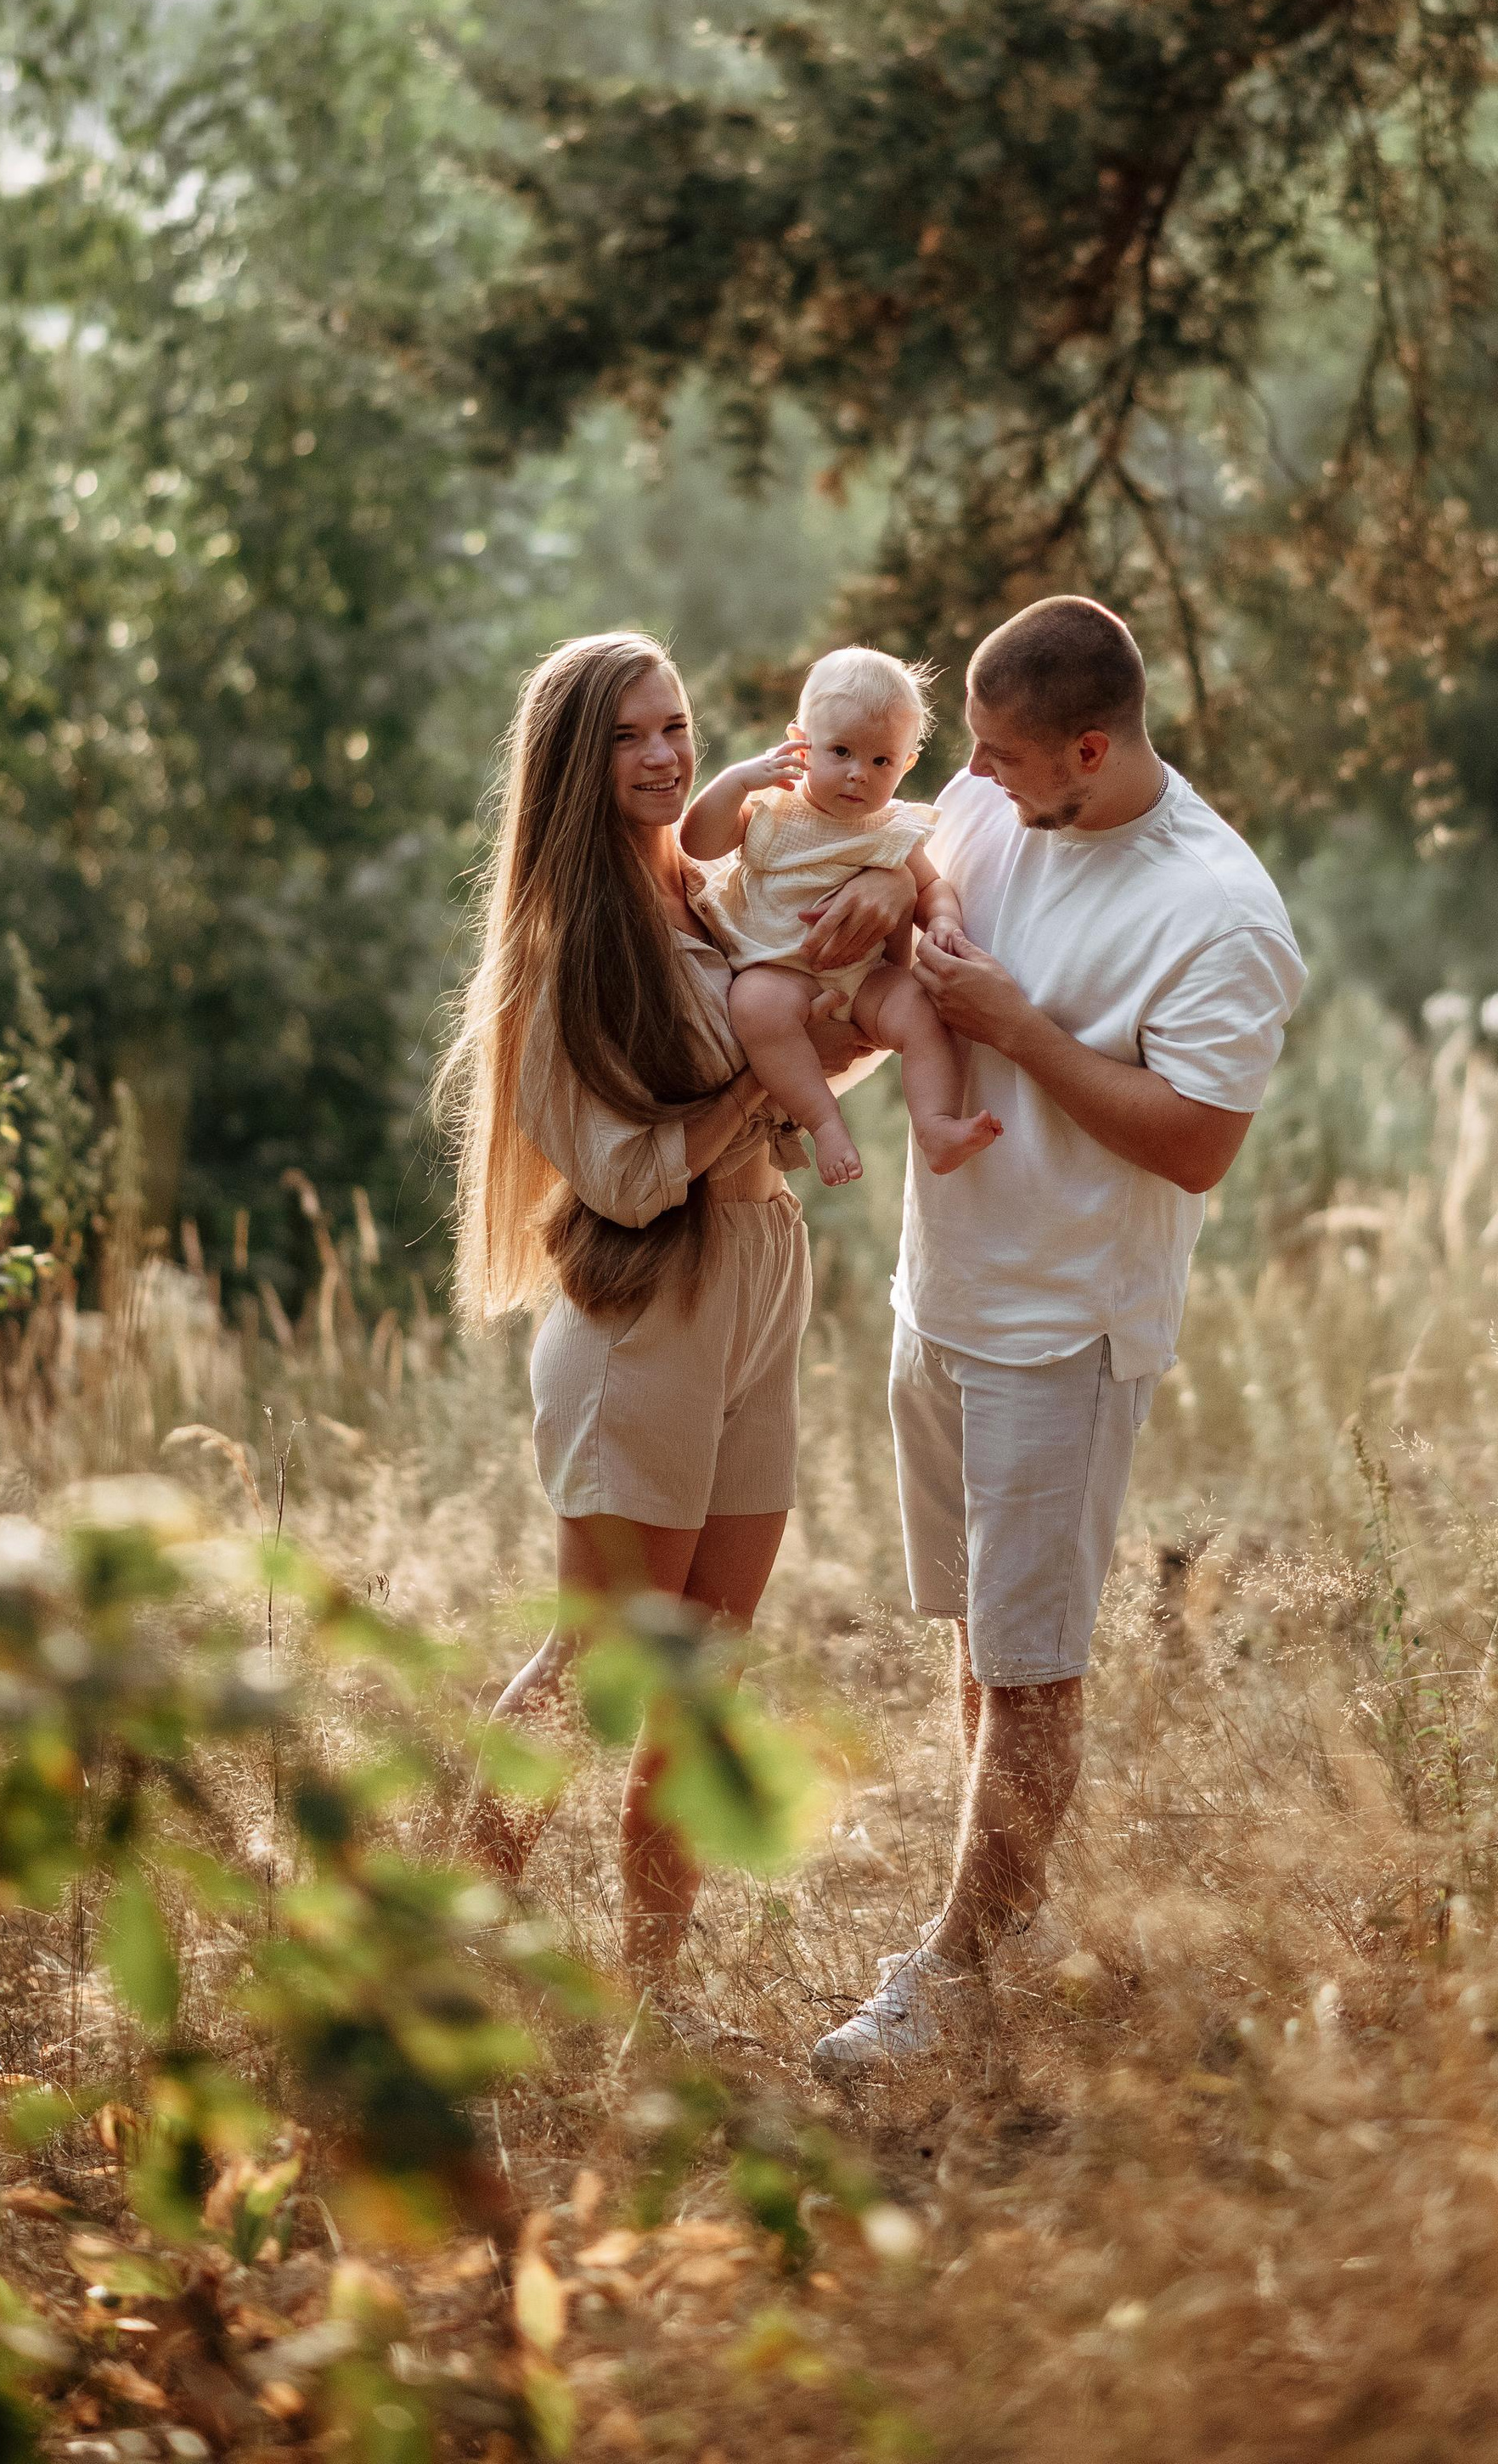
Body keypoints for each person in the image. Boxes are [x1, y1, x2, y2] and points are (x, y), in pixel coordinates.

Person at [809, 595, 1306, 2079]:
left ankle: (947, 1979)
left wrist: (1021, 1030)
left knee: (1033, 1670)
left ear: (1090, 749)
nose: (973, 774)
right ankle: (1007, 1942)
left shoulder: (1217, 911)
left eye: (1008, 753)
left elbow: (1201, 1146)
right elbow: (906, 897)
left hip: (1063, 1327)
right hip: (942, 1293)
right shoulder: (988, 795)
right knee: (976, 1637)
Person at [436, 629, 910, 1992]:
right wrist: (761, 1093)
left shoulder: (718, 891)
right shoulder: (564, 950)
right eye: (633, 736)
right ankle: (447, 1975)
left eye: (678, 726)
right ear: (580, 764)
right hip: (649, 1302)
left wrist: (869, 977)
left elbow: (812, 1055)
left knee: (708, 1671)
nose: (666, 755)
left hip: (762, 1274)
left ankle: (653, 1996)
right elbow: (630, 1175)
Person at [683, 643, 1001, 1188]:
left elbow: (932, 887)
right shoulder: (772, 809)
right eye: (841, 752)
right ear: (799, 746)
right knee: (755, 1007)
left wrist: (943, 921)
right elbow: (698, 841)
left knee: (925, 1009)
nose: (859, 774)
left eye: (881, 761)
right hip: (778, 972)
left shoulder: (892, 829)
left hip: (866, 980)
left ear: (906, 764)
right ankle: (825, 1123)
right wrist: (738, 781)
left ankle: (935, 1126)